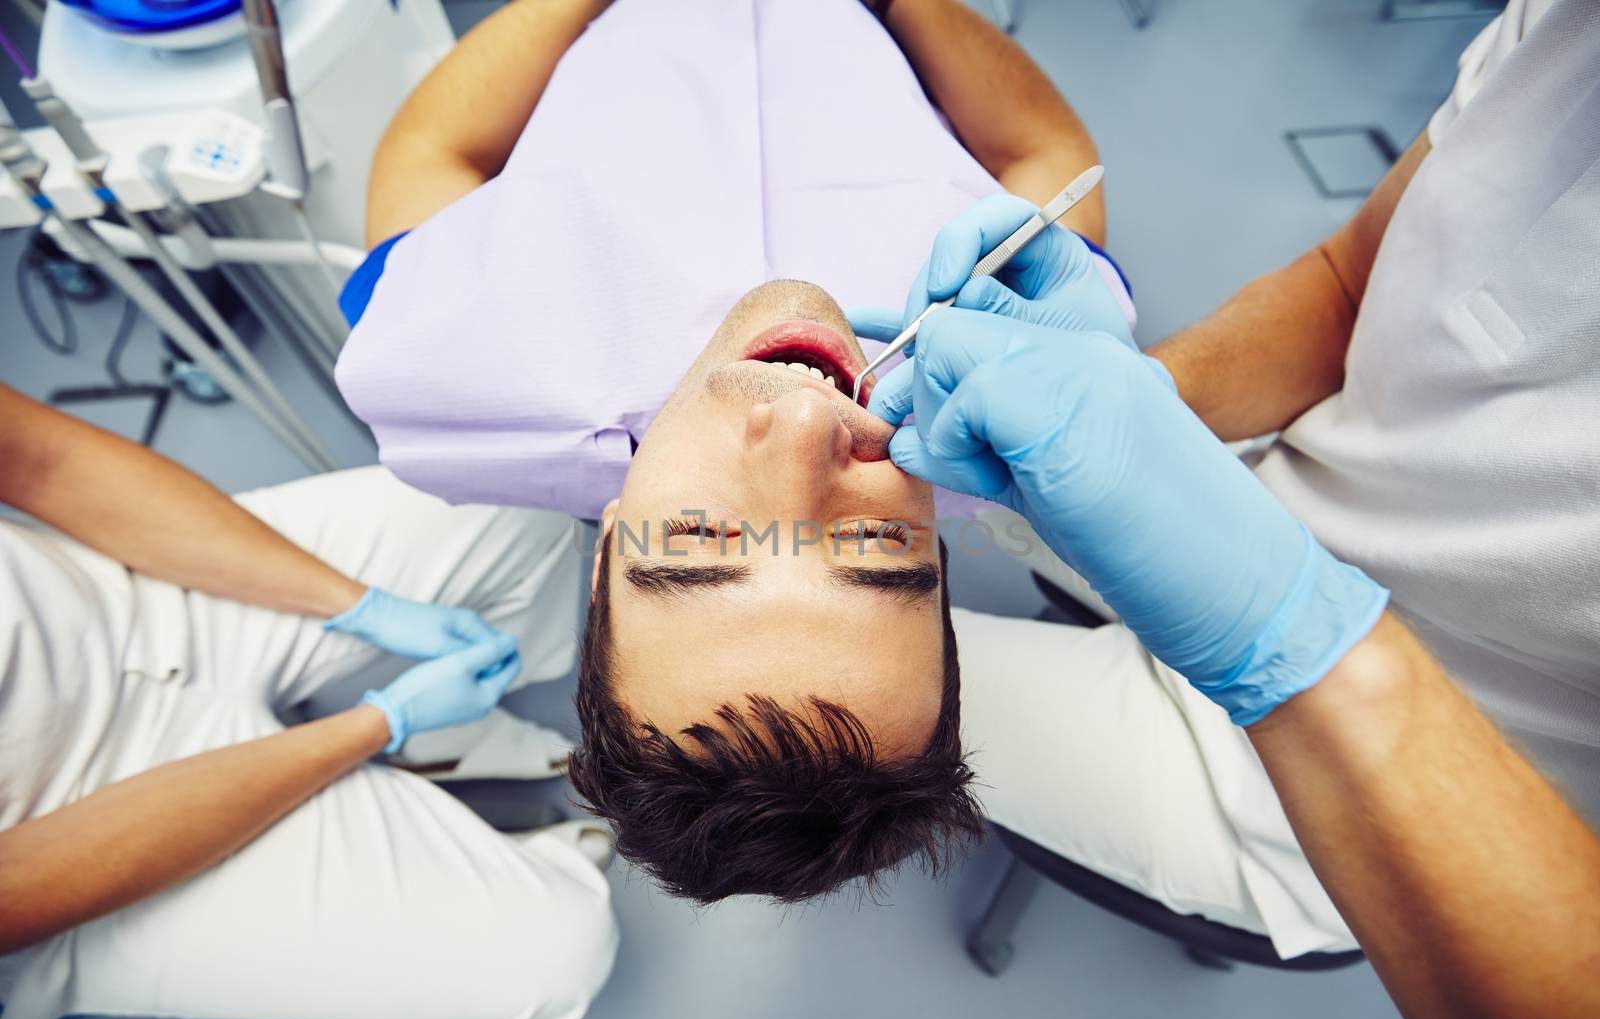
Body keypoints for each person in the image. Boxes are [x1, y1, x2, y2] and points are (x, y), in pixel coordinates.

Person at [336, 0, 1363, 948]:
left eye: (697, 541)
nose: (798, 433)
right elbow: (1039, 150)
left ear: (605, 550)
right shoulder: (1021, 357)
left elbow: (438, 147)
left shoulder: (442, 367)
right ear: (939, 559)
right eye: (873, 543)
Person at [851, 0, 1600, 1019]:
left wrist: (1305, 648)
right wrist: (1135, 397)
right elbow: (1351, 282)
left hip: (1375, 804)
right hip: (1236, 491)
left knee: (841, 689)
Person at [0, 384, 619, 1019]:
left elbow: (44, 460)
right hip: (91, 852)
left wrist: (361, 606)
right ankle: (432, 785)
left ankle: (440, 747)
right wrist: (378, 720)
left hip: (127, 598)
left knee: (517, 508)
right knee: (554, 955)